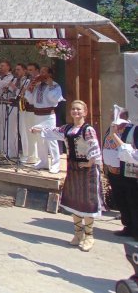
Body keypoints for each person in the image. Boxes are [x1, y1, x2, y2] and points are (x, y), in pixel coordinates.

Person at [31, 100, 103, 251]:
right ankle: (78, 234)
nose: (75, 112)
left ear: (85, 112)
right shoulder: (68, 128)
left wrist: (90, 162)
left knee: (87, 202)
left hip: (86, 170)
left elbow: (94, 145)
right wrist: (38, 130)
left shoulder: (87, 129)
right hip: (73, 168)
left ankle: (89, 236)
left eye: (78, 109)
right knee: (75, 201)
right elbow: (54, 131)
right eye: (73, 109)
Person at [24, 66, 64, 173]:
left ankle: (56, 164)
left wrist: (50, 85)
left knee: (51, 139)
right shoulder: (37, 86)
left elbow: (53, 99)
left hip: (48, 116)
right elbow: (31, 100)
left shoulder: (55, 85)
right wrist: (30, 89)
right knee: (40, 139)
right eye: (40, 72)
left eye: (43, 72)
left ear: (49, 74)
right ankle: (43, 161)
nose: (40, 74)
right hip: (37, 114)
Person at [113, 118, 138, 240]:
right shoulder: (130, 126)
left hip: (135, 169)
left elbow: (131, 152)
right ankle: (129, 227)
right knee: (127, 200)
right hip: (127, 171)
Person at [20, 63, 40, 163]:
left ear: (37, 70)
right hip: (28, 108)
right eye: (28, 70)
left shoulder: (39, 81)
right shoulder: (28, 81)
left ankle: (39, 157)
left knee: (37, 134)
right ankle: (31, 156)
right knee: (29, 133)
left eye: (31, 70)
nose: (29, 72)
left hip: (36, 110)